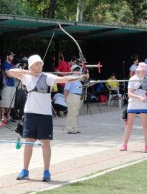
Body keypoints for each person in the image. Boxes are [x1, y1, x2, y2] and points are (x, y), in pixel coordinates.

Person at [8, 54, 88, 182]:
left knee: (45, 143)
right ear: (31, 66)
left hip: (44, 114)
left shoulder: (47, 77)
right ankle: (25, 170)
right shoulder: (27, 76)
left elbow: (64, 79)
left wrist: (79, 77)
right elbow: (10, 71)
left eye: (40, 63)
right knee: (29, 142)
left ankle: (46, 171)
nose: (40, 65)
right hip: (30, 114)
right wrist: (30, 72)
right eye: (37, 64)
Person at [120, 62, 147, 153]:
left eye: (145, 71)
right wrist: (139, 97)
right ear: (139, 70)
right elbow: (129, 93)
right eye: (142, 70)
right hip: (133, 102)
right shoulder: (132, 79)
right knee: (129, 124)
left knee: (145, 125)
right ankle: (124, 144)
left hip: (143, 104)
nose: (144, 72)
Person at [64, 65, 84, 134]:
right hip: (72, 96)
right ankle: (69, 128)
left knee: (75, 113)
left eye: (78, 70)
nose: (77, 71)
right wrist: (65, 97)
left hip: (78, 97)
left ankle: (74, 127)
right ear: (72, 71)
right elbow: (66, 89)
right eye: (76, 70)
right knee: (72, 113)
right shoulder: (71, 78)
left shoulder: (78, 78)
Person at [0, 50, 16, 122]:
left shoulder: (11, 65)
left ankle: (8, 116)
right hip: (6, 84)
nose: (12, 57)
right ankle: (3, 117)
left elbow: (12, 74)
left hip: (12, 84)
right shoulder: (4, 64)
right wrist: (15, 75)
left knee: (10, 102)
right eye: (11, 56)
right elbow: (8, 75)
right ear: (7, 56)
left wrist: (14, 75)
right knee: (4, 101)